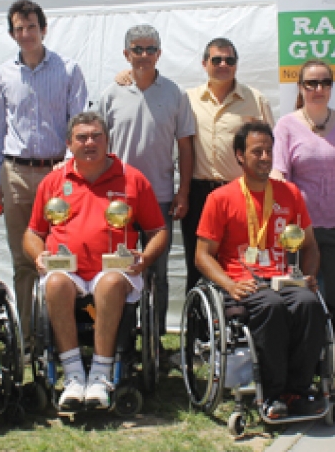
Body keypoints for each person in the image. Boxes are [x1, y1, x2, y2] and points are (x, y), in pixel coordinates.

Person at [24, 112, 166, 410]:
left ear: (107, 140)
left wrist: (146, 257)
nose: (90, 142)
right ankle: (74, 376)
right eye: (82, 137)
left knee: (111, 282)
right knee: (56, 283)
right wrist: (38, 255)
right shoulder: (53, 182)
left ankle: (100, 375)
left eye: (96, 136)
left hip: (114, 270)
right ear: (69, 144)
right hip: (68, 270)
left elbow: (158, 231)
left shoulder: (132, 179)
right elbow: (32, 233)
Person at [197, 121, 325, 419]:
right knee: (271, 306)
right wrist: (229, 285)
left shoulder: (290, 193)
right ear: (240, 156)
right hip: (244, 284)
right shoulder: (220, 198)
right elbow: (202, 256)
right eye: (257, 152)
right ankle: (272, 392)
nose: (266, 157)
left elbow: (310, 246)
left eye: (269, 150)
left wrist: (309, 276)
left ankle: (299, 389)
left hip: (283, 280)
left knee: (308, 304)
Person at [0, 0, 88, 347]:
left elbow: (78, 124)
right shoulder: (3, 74)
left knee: (63, 253)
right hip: (15, 172)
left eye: (32, 27)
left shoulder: (68, 69)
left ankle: (63, 334)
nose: (26, 34)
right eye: (19, 28)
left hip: (58, 173)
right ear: (12, 33)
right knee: (24, 259)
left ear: (43, 29)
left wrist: (68, 168)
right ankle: (30, 336)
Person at [97, 24, 195, 335]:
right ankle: (121, 336)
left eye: (150, 49)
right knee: (119, 268)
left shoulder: (175, 93)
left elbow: (185, 146)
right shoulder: (110, 93)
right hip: (118, 200)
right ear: (126, 54)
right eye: (137, 49)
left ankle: (155, 338)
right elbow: (95, 145)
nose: (143, 55)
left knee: (158, 272)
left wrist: (184, 192)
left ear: (159, 54)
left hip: (161, 196)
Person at [270, 60, 335, 371]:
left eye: (324, 82)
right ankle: (305, 354)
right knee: (302, 294)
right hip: (300, 230)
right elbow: (279, 170)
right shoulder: (286, 125)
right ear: (300, 87)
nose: (318, 89)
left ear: (331, 87)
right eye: (311, 83)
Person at [182, 37, 274, 294]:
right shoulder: (187, 99)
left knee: (239, 261)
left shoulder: (256, 100)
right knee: (197, 262)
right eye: (217, 59)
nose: (223, 64)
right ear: (204, 63)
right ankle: (197, 328)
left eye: (229, 60)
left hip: (239, 193)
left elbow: (268, 147)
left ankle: (238, 320)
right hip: (198, 192)